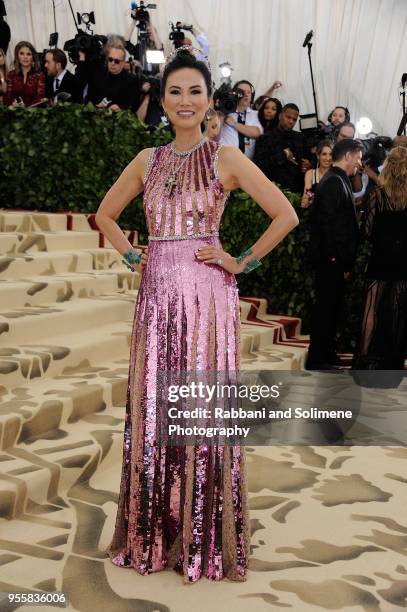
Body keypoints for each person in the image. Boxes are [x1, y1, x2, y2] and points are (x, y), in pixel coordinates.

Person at [95, 48, 298, 583]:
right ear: (163, 99)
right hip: (157, 300)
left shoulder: (226, 159)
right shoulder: (146, 159)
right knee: (156, 406)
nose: (185, 101)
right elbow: (104, 214)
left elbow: (286, 213)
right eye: (175, 91)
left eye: (194, 92)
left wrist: (240, 261)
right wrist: (137, 255)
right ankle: (153, 532)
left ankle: (200, 537)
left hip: (208, 300)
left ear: (210, 101)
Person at [306, 138, 362, 369]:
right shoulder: (333, 182)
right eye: (357, 159)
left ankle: (327, 354)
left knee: (332, 309)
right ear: (347, 156)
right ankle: (318, 359)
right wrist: (335, 258)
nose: (358, 164)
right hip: (330, 260)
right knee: (326, 310)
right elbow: (326, 225)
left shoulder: (339, 180)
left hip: (335, 260)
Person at [352, 146, 407, 369]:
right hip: (404, 260)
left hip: (381, 257)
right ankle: (393, 360)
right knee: (398, 308)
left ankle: (364, 358)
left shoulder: (378, 193)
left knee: (371, 308)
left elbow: (367, 231)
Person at [254, 103, 312, 193]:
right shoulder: (265, 138)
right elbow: (260, 165)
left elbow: (311, 158)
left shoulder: (301, 137)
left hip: (298, 191)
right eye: (288, 117)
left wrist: (308, 164)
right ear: (280, 116)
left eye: (294, 119)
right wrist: (283, 155)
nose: (291, 121)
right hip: (274, 190)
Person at [76, 43, 141, 112]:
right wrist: (97, 106)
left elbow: (133, 105)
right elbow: (88, 98)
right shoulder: (97, 74)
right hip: (94, 116)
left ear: (123, 63)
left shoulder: (131, 80)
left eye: (117, 61)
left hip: (117, 119)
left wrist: (120, 108)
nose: (113, 63)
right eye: (110, 59)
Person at [219, 79, 263, 159]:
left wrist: (233, 123)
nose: (246, 95)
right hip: (225, 161)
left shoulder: (256, 114)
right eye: (241, 92)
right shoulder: (225, 112)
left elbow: (257, 133)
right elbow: (214, 134)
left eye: (249, 92)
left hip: (248, 164)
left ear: (252, 96)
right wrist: (222, 113)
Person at [4, 41, 46, 107]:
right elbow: (8, 97)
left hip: (33, 113)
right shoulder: (11, 74)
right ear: (17, 56)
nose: (25, 57)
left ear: (33, 57)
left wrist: (25, 106)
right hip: (14, 112)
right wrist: (13, 103)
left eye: (28, 54)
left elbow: (39, 99)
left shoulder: (40, 75)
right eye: (22, 53)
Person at [301, 140, 333, 208]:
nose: (328, 158)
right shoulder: (310, 174)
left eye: (331, 154)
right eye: (324, 154)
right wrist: (305, 200)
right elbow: (307, 192)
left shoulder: (337, 174)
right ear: (318, 155)